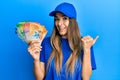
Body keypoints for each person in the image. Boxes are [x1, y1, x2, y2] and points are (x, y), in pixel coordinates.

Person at [28, 2, 99, 80]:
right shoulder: (46, 43)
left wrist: (87, 50)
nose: (59, 23)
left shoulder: (85, 44)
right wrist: (36, 59)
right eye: (57, 19)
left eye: (65, 18)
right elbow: (39, 78)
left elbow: (86, 77)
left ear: (72, 22)